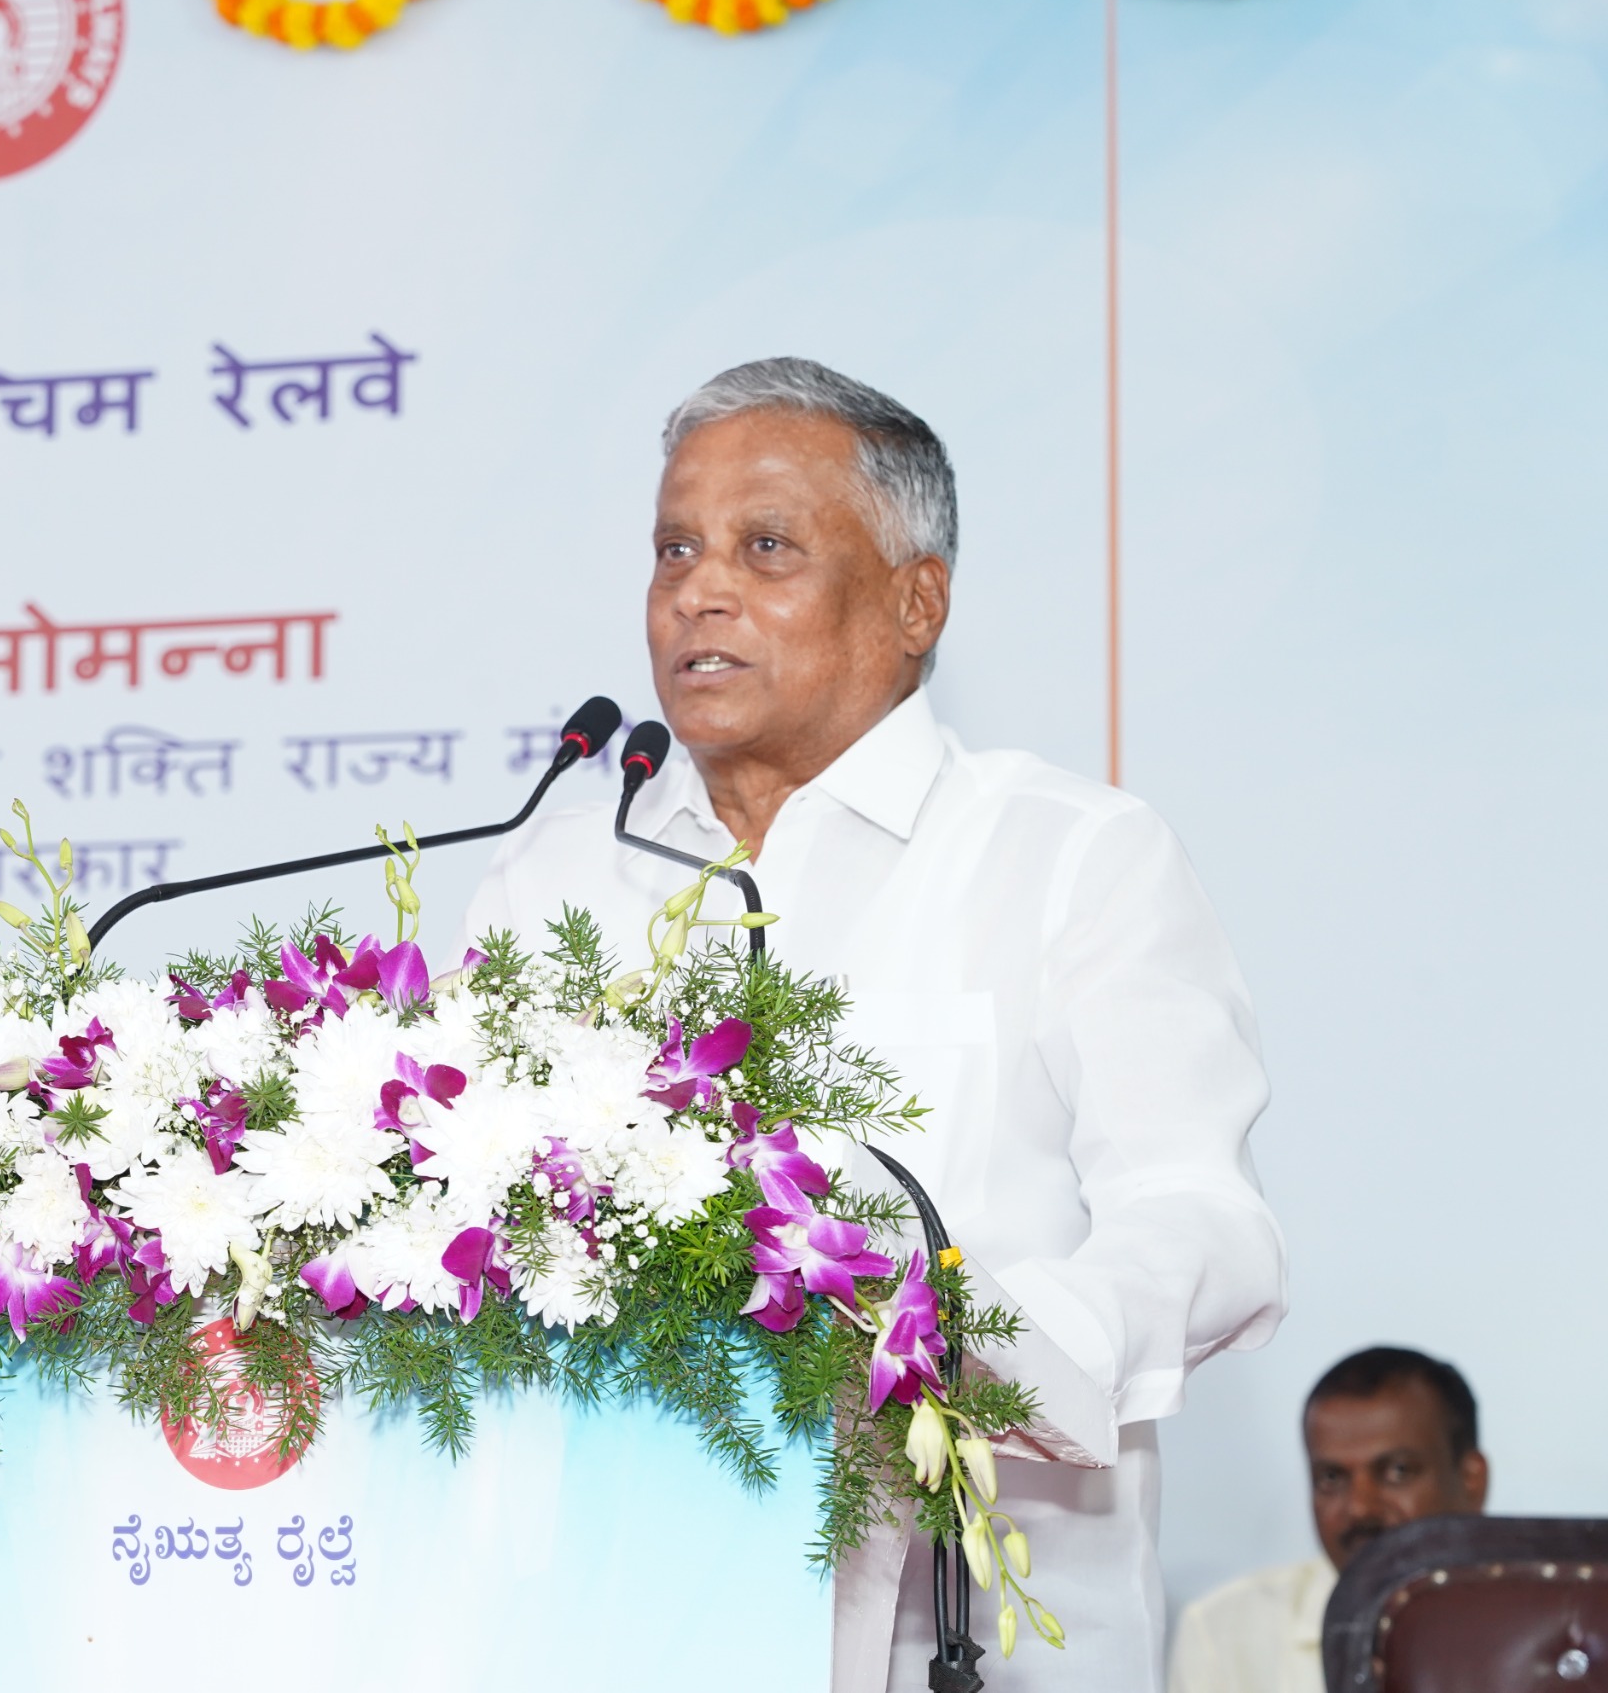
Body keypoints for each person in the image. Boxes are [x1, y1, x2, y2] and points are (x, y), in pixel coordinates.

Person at [465, 357, 1288, 1691]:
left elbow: (1203, 1215)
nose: (698, 589)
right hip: (615, 1616)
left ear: (916, 601)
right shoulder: (553, 871)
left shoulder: (1068, 853)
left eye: (764, 547)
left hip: (979, 1625)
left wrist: (999, 1348)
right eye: (675, 548)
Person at [1167, 1348, 1489, 1693]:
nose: (1360, 1508)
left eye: (1398, 1471)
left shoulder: (1530, 1619)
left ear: (1471, 1480)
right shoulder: (1224, 1634)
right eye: (1332, 1478)